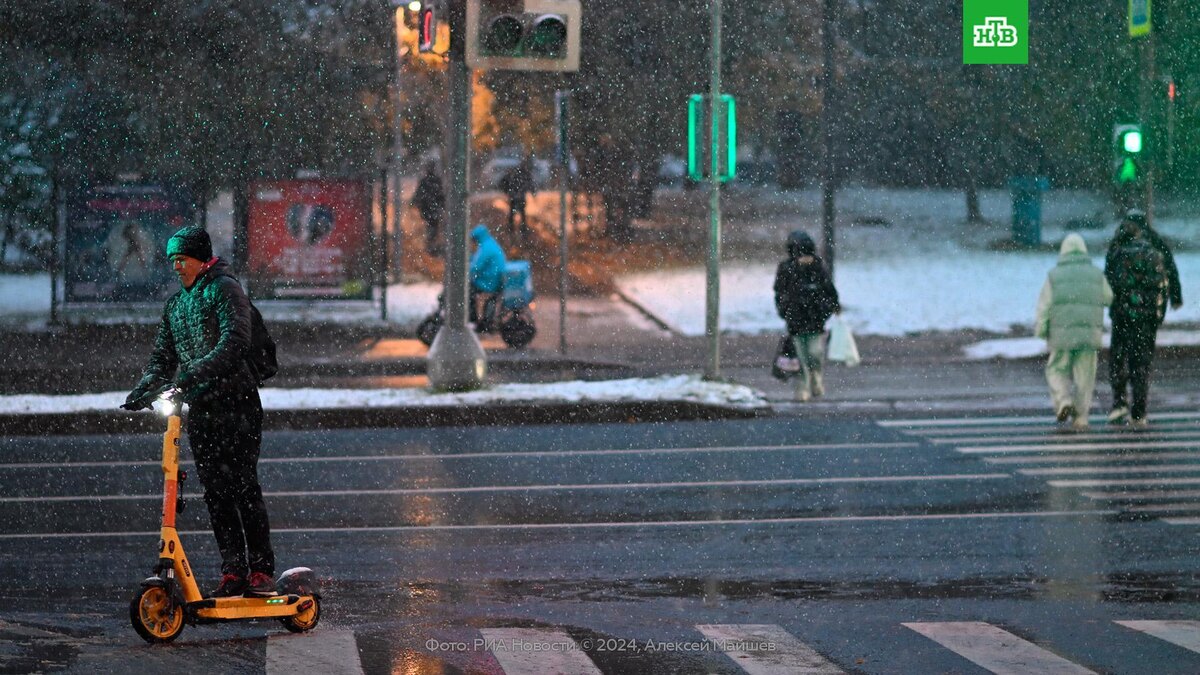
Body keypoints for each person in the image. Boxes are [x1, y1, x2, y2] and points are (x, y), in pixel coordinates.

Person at [124, 225, 277, 598]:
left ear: (201, 258)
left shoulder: (225, 290)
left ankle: (260, 571)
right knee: (215, 491)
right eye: (172, 260)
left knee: (242, 485)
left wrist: (191, 376)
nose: (176, 267)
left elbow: (235, 341)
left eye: (182, 259)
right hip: (204, 409)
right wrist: (143, 390)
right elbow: (163, 357)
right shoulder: (176, 305)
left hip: (237, 403)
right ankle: (233, 570)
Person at [1035, 234, 1113, 431]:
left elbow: (1045, 306)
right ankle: (1081, 417)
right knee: (1085, 377)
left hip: (1062, 335)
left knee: (1056, 369)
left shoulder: (1054, 275)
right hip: (1088, 335)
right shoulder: (1096, 274)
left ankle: (1062, 400)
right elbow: (1109, 297)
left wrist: (1042, 330)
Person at [1105, 211, 1171, 429]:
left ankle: (1119, 401)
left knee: (1118, 359)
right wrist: (1156, 318)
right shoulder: (1154, 255)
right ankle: (1139, 411)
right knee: (1141, 364)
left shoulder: (1116, 255)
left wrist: (1115, 308)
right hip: (1145, 322)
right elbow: (1162, 289)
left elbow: (1109, 286)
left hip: (1122, 317)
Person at [773, 230, 840, 402]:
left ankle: (815, 378)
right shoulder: (787, 269)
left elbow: (828, 290)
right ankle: (803, 387)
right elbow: (780, 292)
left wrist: (830, 307)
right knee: (800, 356)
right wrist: (784, 309)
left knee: (814, 354)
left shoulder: (817, 268)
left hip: (815, 319)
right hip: (796, 320)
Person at [469, 224, 507, 332]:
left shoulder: (485, 248)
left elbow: (476, 266)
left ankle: (474, 320)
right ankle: (481, 320)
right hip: (495, 279)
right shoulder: (489, 244)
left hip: (489, 281)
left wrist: (466, 272)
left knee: (468, 292)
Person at [411, 162, 446, 254]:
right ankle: (431, 245)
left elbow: (419, 194)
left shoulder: (425, 181)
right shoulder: (436, 180)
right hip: (432, 209)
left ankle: (430, 245)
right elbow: (441, 195)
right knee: (433, 226)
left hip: (428, 209)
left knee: (431, 226)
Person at [499, 156, 535, 237]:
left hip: (514, 196)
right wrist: (532, 192)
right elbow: (530, 184)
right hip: (519, 196)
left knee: (513, 213)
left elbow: (504, 182)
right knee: (521, 214)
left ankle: (512, 230)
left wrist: (507, 192)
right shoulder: (524, 174)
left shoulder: (514, 173)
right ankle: (522, 231)